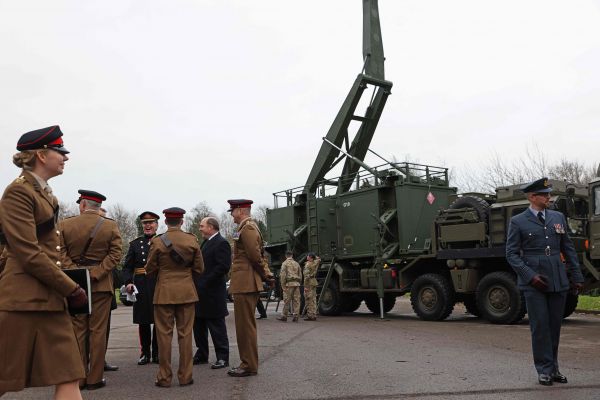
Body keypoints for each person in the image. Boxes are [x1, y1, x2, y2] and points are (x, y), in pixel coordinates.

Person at [0, 126, 87, 399]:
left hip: (49, 298)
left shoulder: (46, 194)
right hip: (22, 301)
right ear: (40, 154)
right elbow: (28, 253)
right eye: (59, 151)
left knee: (70, 373)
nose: (65, 157)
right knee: (5, 377)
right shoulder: (17, 193)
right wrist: (71, 288)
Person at [506, 177, 585, 386]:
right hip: (534, 281)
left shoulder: (558, 217)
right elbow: (511, 254)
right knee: (540, 326)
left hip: (557, 278)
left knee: (554, 326)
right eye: (545, 194)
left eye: (549, 194)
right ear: (532, 197)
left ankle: (553, 368)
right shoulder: (518, 221)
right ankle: (543, 369)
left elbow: (567, 248)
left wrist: (576, 276)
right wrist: (529, 275)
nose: (549, 197)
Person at [59, 190, 123, 390]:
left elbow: (59, 253)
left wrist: (77, 273)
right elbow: (115, 254)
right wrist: (95, 273)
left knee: (78, 331)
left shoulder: (65, 224)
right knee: (98, 332)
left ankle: (78, 378)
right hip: (101, 286)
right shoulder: (110, 226)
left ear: (83, 205)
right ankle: (95, 378)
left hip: (75, 285)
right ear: (97, 206)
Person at [146, 207, 204, 387]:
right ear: (182, 221)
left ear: (165, 222)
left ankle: (164, 377)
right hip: (187, 293)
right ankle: (186, 377)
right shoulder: (191, 240)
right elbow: (200, 269)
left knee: (164, 336)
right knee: (185, 335)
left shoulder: (157, 242)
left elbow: (149, 269)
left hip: (164, 293)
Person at [226, 199, 274, 377]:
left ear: (240, 210)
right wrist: (266, 274)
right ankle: (248, 363)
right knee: (244, 326)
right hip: (244, 281)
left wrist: (266, 275)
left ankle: (248, 365)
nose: (231, 215)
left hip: (245, 282)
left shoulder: (248, 228)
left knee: (245, 327)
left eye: (232, 211)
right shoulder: (245, 227)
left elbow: (255, 256)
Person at [122, 211, 161, 365]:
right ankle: (145, 353)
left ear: (157, 225)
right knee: (143, 321)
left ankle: (157, 353)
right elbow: (127, 267)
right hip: (141, 285)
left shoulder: (163, 241)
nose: (148, 225)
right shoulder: (135, 244)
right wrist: (128, 283)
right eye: (145, 223)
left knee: (159, 320)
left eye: (151, 222)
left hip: (158, 283)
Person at [193, 216, 231, 369]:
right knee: (199, 326)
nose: (200, 228)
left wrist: (204, 282)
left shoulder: (222, 243)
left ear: (211, 227)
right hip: (201, 294)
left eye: (202, 226)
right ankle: (202, 354)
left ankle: (222, 357)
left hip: (213, 294)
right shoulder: (206, 242)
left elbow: (223, 267)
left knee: (217, 328)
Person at [99, 207, 119, 373]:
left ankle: (100, 360)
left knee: (103, 329)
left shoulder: (108, 231)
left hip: (105, 285)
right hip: (95, 283)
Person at [277, 251, 302, 322]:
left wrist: (283, 285)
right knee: (297, 300)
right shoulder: (297, 263)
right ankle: (296, 316)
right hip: (296, 283)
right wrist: (299, 282)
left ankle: (284, 316)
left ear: (286, 256)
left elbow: (283, 275)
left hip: (289, 284)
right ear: (292, 255)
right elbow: (300, 274)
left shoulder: (284, 263)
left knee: (287, 300)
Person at [303, 253, 321, 321]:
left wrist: (305, 286)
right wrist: (314, 256)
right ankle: (314, 314)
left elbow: (306, 277)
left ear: (310, 257)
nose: (306, 256)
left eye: (308, 255)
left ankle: (310, 316)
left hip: (309, 283)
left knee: (308, 299)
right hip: (313, 282)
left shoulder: (308, 265)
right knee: (313, 299)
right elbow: (319, 259)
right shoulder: (315, 262)